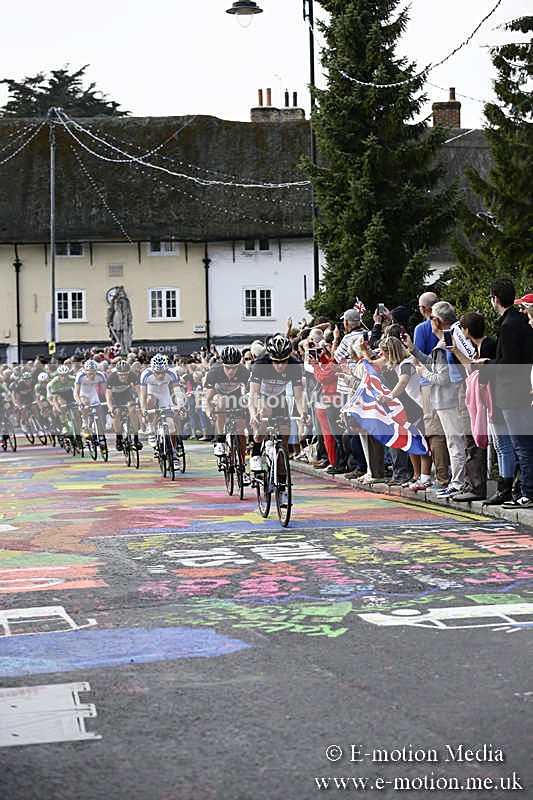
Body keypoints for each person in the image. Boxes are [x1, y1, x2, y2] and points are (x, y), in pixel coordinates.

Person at [480, 279, 533, 509]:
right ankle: (524, 490)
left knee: (521, 444)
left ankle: (528, 493)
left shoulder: (509, 325)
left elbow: (511, 363)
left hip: (513, 392)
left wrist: (487, 363)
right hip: (520, 390)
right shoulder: (520, 320)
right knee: (523, 443)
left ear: (496, 299)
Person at [407, 301, 467, 498]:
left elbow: (440, 377)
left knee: (454, 442)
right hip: (448, 399)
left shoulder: (444, 345)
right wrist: (414, 349)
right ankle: (457, 481)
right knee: (453, 442)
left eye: (432, 318)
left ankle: (458, 482)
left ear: (438, 321)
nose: (429, 321)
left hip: (448, 400)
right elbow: (434, 365)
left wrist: (422, 373)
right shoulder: (448, 341)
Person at [248, 335, 307, 505]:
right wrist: (253, 414)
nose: (280, 366)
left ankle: (282, 487)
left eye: (283, 361)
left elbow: (298, 397)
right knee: (263, 412)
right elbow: (253, 395)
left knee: (284, 439)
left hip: (279, 398)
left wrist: (303, 414)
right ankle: (257, 451)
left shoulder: (295, 366)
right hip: (262, 397)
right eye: (276, 361)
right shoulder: (260, 365)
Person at [413, 291, 450, 488]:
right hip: (452, 384)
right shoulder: (454, 326)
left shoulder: (422, 328)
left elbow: (420, 360)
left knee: (435, 433)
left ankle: (443, 479)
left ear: (423, 309)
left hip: (430, 384)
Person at [204, 346, 250, 483]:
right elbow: (207, 399)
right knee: (221, 402)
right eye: (228, 368)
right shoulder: (215, 371)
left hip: (235, 395)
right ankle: (220, 439)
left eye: (234, 367)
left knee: (240, 429)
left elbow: (250, 393)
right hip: (218, 395)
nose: (231, 371)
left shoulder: (243, 372)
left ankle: (242, 469)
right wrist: (209, 413)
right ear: (222, 365)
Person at [140, 354, 184, 460]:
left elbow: (177, 391)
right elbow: (143, 395)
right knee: (150, 400)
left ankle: (174, 451)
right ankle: (151, 429)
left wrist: (180, 405)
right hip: (152, 394)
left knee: (171, 425)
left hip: (165, 395)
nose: (160, 376)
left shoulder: (171, 373)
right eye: (157, 373)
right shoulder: (146, 374)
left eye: (162, 372)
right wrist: (143, 409)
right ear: (152, 370)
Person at [105, 359, 143, 451]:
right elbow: (108, 396)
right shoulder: (111, 378)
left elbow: (140, 392)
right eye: (121, 374)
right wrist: (110, 408)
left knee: (132, 409)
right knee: (116, 413)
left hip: (126, 394)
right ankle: (118, 438)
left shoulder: (132, 376)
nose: (123, 377)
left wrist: (142, 405)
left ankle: (136, 438)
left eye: (125, 374)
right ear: (117, 373)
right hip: (114, 397)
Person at [74, 359, 107, 434]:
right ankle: (85, 422)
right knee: (85, 405)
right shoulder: (80, 375)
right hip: (82, 393)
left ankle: (99, 431)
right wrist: (80, 403)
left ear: (96, 371)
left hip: (92, 392)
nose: (91, 376)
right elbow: (76, 392)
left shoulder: (100, 375)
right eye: (89, 373)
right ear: (85, 371)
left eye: (93, 373)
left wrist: (109, 400)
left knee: (98, 412)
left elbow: (105, 391)